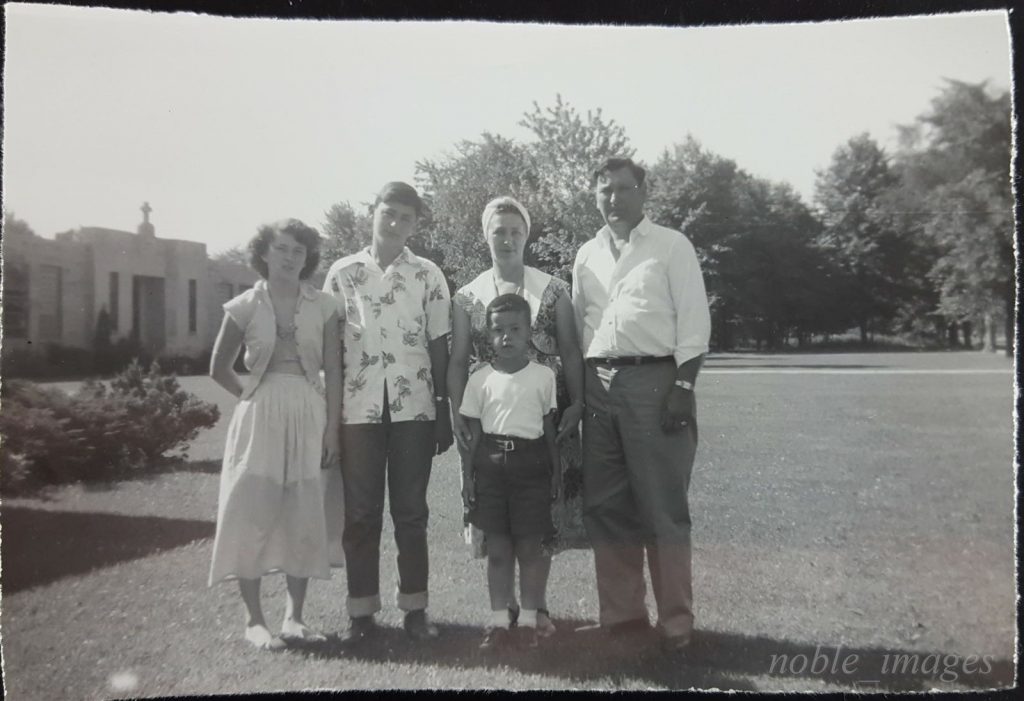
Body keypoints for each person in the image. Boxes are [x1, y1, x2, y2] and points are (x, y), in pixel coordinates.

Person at [571, 157, 711, 655]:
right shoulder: (586, 255)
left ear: (643, 192)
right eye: (604, 190)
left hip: (656, 381)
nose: (614, 198)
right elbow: (581, 325)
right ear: (595, 195)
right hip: (598, 383)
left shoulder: (671, 246)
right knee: (606, 506)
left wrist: (683, 388)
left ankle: (676, 621)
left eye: (624, 189)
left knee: (662, 507)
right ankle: (624, 615)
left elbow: (694, 326)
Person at [448, 196, 586, 637]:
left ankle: (536, 608)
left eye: (515, 231)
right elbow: (456, 362)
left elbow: (570, 351)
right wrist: (458, 416)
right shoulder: (467, 297)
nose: (506, 239)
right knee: (496, 516)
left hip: (546, 421)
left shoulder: (554, 289)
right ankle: (503, 609)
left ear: (526, 236)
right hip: (486, 420)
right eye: (498, 231)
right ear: (485, 235)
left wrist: (578, 404)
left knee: (539, 516)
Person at [322, 181, 454, 644]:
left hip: (414, 410)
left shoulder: (428, 275)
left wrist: (442, 409)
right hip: (357, 411)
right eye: (388, 213)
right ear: (372, 213)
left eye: (406, 217)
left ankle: (415, 611)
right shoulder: (342, 273)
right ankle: (361, 614)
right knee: (360, 514)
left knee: (411, 513)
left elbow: (439, 344)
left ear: (416, 223)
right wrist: (328, 418)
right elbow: (330, 349)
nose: (396, 224)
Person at [208, 218, 343, 651]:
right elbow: (219, 368)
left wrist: (332, 430)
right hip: (260, 416)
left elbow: (335, 371)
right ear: (264, 252)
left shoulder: (324, 305)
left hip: (309, 411)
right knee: (252, 509)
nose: (289, 258)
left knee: (302, 512)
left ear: (308, 259)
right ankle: (254, 620)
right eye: (282, 249)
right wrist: (252, 398)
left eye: (298, 252)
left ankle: (295, 618)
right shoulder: (245, 305)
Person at [459, 294, 560, 650]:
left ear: (529, 331)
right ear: (489, 334)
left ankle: (531, 620)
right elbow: (472, 439)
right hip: (491, 469)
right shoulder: (480, 380)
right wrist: (469, 478)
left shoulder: (543, 376)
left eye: (515, 329)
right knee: (499, 550)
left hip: (531, 467)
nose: (507, 337)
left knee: (531, 549)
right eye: (499, 330)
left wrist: (556, 474)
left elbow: (548, 429)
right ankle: (500, 622)